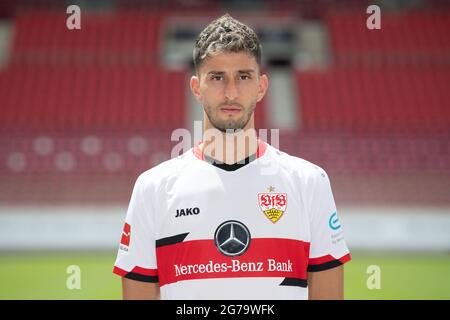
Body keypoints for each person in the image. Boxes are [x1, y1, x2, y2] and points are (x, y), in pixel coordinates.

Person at [113, 14, 351, 300]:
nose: (231, 92)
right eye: (216, 77)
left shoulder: (309, 182)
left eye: (243, 76)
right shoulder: (153, 189)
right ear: (196, 88)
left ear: (261, 86)